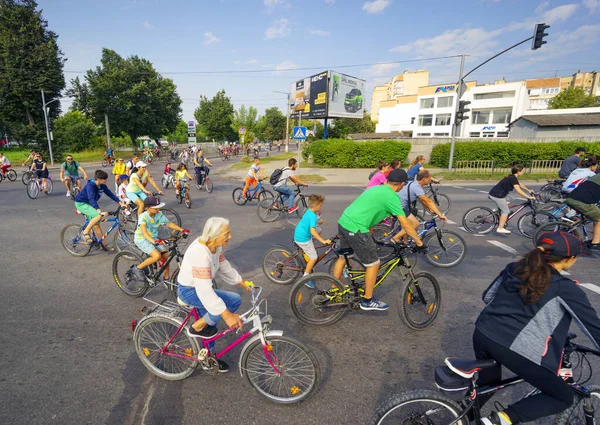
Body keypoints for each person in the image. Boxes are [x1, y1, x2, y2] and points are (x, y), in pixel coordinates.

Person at [472, 231, 599, 425]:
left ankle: (462, 418)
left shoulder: (513, 268)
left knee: (488, 385)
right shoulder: (565, 288)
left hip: (483, 332)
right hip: (512, 346)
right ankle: (498, 421)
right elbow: (593, 328)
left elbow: (488, 297)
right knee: (562, 397)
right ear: (569, 258)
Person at [331, 169, 425, 311]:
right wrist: (419, 242)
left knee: (344, 257)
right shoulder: (392, 197)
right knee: (373, 264)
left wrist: (370, 231)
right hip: (356, 229)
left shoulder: (376, 188)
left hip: (344, 222)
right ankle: (367, 301)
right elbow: (405, 224)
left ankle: (334, 290)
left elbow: (366, 208)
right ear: (401, 184)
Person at [177, 217, 254, 372]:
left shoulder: (215, 246)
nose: (230, 236)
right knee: (231, 302)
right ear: (214, 235)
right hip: (190, 291)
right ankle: (197, 326)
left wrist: (240, 281)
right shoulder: (200, 253)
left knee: (210, 325)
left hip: (201, 288)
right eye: (227, 233)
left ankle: (209, 357)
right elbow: (204, 290)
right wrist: (226, 315)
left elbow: (224, 266)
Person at [131, 196, 187, 283]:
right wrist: (154, 241)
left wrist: (182, 230)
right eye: (155, 208)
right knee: (156, 256)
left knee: (166, 257)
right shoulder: (143, 217)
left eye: (158, 207)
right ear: (148, 208)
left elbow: (168, 223)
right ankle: (137, 268)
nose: (158, 209)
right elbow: (145, 233)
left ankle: (166, 279)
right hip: (142, 239)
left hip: (154, 238)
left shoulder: (159, 214)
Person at [74, 169, 127, 247]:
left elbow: (110, 194)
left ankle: (104, 245)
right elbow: (91, 198)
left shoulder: (102, 186)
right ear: (98, 179)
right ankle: (85, 232)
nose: (106, 181)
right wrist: (99, 210)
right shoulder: (90, 186)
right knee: (98, 216)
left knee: (96, 225)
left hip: (89, 204)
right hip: (81, 203)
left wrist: (121, 203)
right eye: (104, 179)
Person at [392, 170, 447, 243]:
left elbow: (422, 200)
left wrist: (429, 209)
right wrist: (440, 214)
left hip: (397, 205)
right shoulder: (416, 187)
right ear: (424, 179)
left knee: (407, 223)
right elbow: (428, 201)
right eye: (429, 178)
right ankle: (395, 238)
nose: (430, 180)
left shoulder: (413, 183)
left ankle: (405, 243)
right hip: (397, 207)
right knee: (415, 223)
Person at [294, 194, 331, 289]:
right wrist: (323, 241)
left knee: (319, 230)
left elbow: (310, 223)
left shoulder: (309, 212)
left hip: (300, 233)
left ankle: (308, 248)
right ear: (316, 206)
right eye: (321, 205)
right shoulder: (312, 216)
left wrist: (318, 222)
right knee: (314, 257)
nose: (321, 206)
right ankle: (306, 277)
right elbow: (312, 231)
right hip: (302, 238)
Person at [488, 164, 535, 235]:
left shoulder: (512, 177)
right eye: (523, 171)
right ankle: (500, 228)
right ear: (518, 172)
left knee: (511, 198)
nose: (524, 172)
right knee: (506, 211)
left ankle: (499, 209)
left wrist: (528, 190)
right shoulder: (512, 178)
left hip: (497, 193)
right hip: (497, 195)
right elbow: (518, 191)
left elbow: (519, 184)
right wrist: (528, 197)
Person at [566, 172, 600, 251]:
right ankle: (595, 243)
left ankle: (593, 238)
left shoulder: (597, 176)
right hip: (581, 202)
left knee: (594, 215)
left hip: (573, 198)